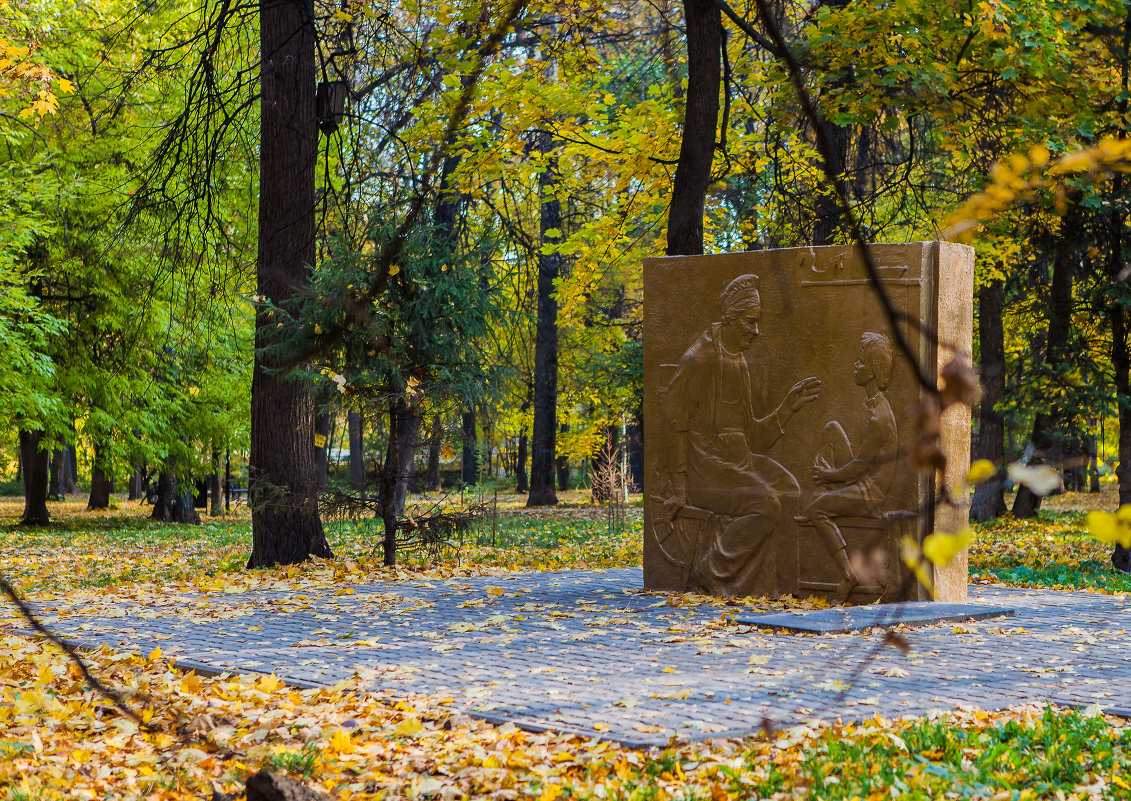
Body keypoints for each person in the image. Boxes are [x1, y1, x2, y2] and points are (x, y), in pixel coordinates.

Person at [662, 273, 820, 595]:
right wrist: (679, 487)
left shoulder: (740, 363)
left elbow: (753, 437)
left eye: (757, 321)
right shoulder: (699, 360)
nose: (756, 330)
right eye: (750, 322)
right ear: (731, 319)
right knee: (766, 504)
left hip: (739, 464)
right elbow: (673, 424)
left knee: (791, 490)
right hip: (705, 471)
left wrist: (787, 409)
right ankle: (711, 571)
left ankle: (778, 585)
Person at [803, 331, 898, 600]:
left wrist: (830, 474)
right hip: (861, 479)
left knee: (818, 509)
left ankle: (848, 573)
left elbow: (859, 466)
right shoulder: (872, 405)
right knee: (832, 428)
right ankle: (824, 486)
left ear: (873, 370)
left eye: (860, 362)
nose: (855, 366)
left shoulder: (880, 416)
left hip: (870, 492)